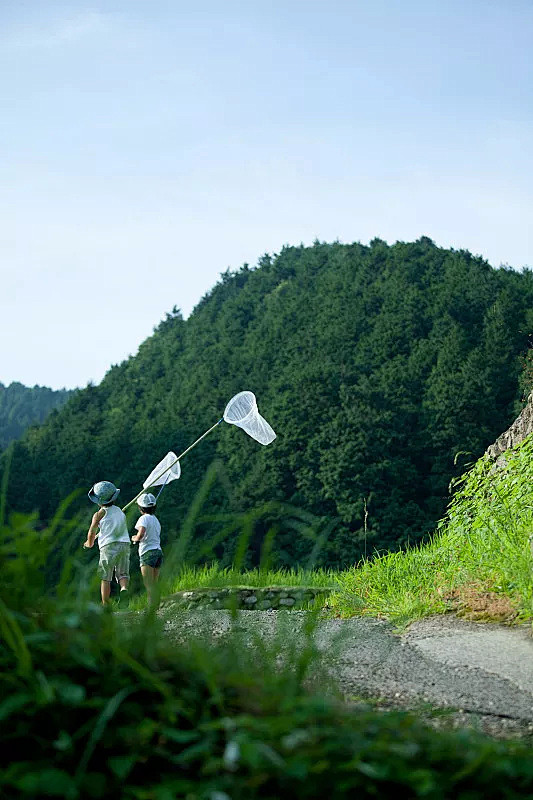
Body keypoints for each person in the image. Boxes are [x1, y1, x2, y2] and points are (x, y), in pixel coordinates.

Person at [84, 480, 131, 608]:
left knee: (106, 576)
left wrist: (89, 543)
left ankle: (105, 603)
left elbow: (92, 531)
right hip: (124, 544)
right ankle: (124, 589)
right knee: (123, 574)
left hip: (108, 546)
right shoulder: (120, 512)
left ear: (98, 501)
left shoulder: (99, 514)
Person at [131, 492, 163, 606]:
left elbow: (141, 533)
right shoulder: (156, 520)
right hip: (158, 552)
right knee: (154, 583)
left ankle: (151, 609)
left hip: (147, 553)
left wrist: (135, 538)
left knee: (148, 584)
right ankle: (157, 606)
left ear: (141, 508)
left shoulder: (143, 518)